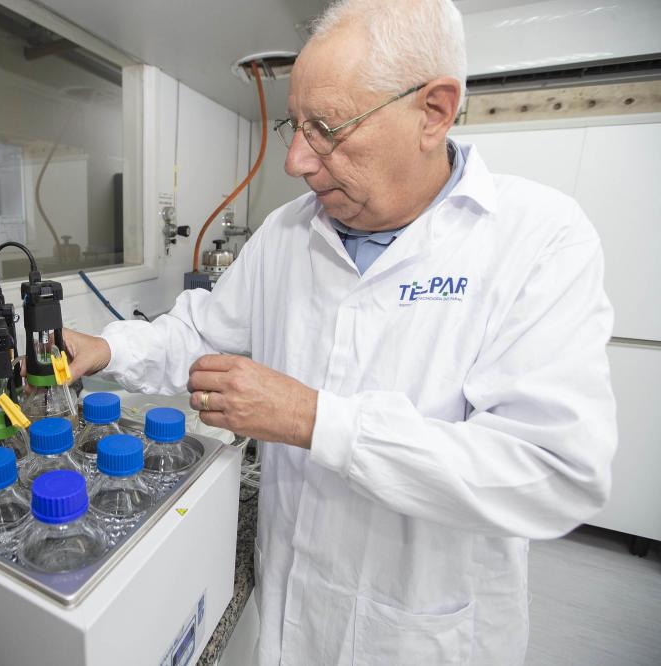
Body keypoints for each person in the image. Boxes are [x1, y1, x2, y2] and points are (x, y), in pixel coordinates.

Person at [60, 0, 617, 663]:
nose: (297, 160)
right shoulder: (287, 233)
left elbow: (555, 473)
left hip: (425, 634)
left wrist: (314, 419)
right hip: (296, 608)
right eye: (298, 124)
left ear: (433, 112)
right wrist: (107, 348)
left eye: (328, 128)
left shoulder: (538, 237)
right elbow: (201, 338)